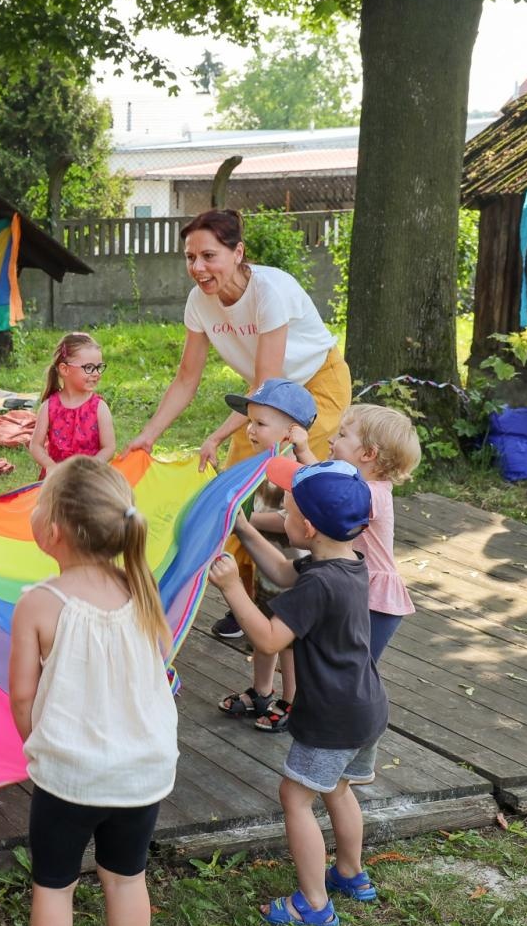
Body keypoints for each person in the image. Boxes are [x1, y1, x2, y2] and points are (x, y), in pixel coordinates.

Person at [7, 455, 178, 926]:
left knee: (54, 886)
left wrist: (35, 743)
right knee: (126, 877)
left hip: (71, 776)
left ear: (53, 531)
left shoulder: (39, 603)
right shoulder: (142, 586)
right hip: (142, 773)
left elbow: (22, 696)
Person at [126, 209, 350, 644]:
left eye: (209, 255)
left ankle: (300, 607)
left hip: (314, 386)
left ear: (238, 252)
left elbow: (267, 387)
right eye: (190, 257)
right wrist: (149, 434)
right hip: (264, 398)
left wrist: (219, 433)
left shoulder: (271, 290)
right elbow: (187, 378)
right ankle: (245, 603)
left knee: (293, 492)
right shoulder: (199, 302)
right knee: (233, 496)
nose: (198, 268)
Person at [207, 458, 386, 926]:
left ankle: (313, 902)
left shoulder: (321, 583)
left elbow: (267, 639)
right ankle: (351, 873)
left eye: (284, 514)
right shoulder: (344, 564)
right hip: (365, 708)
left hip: (331, 716)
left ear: (306, 526)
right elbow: (289, 574)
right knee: (338, 787)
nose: (282, 522)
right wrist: (245, 529)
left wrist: (231, 588)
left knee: (296, 796)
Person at [216, 379, 318, 734]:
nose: (251, 429)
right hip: (266, 569)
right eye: (251, 421)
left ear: (292, 432)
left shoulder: (294, 468)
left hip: (291, 570)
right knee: (259, 631)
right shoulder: (263, 461)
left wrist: (243, 520)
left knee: (286, 642)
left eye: (260, 423)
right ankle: (262, 691)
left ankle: (292, 700)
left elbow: (289, 517)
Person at [324, 405, 422, 660]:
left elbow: (325, 498)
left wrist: (302, 460)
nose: (331, 439)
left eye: (342, 435)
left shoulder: (373, 493)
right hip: (357, 589)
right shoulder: (357, 488)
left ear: (368, 453)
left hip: (375, 600)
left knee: (355, 674)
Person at [29, 333, 117, 477]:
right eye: (89, 367)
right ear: (65, 369)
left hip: (90, 479)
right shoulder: (49, 406)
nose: (96, 373)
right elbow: (35, 445)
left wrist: (91, 467)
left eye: (98, 367)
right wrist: (50, 466)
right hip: (57, 480)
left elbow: (109, 447)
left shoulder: (99, 407)